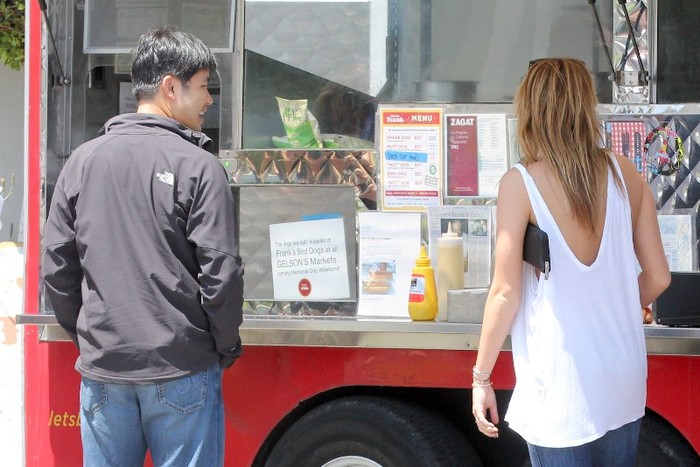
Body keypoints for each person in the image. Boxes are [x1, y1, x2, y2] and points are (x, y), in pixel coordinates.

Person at [42, 28, 244, 467]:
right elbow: (222, 273)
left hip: (103, 372)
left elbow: (57, 267)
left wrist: (90, 337)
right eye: (204, 85)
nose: (209, 99)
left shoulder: (82, 161)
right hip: (182, 366)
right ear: (172, 87)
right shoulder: (200, 166)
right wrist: (225, 344)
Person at [471, 58, 670, 466]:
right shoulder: (626, 173)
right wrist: (619, 307)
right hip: (623, 382)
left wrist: (481, 377)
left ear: (528, 109)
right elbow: (659, 276)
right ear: (585, 106)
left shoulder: (520, 183)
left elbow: (506, 294)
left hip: (560, 391)